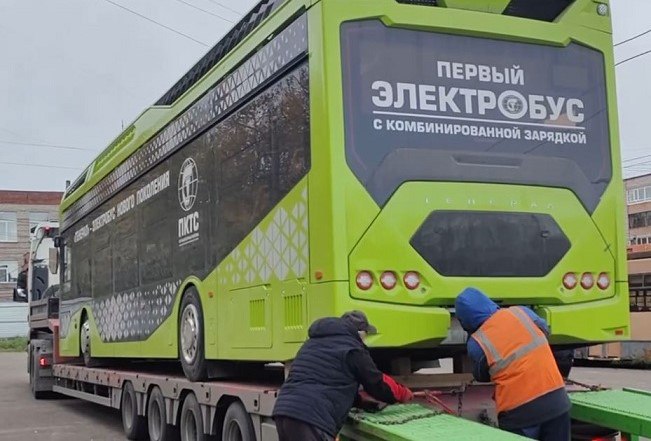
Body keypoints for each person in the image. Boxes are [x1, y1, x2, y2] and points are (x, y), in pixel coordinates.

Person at [273, 310, 414, 441]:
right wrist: (401, 393)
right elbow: (376, 382)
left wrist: (360, 402)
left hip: (284, 413)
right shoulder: (352, 349)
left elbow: (326, 381)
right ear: (360, 333)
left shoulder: (311, 344)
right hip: (313, 419)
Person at [455, 288, 571, 441]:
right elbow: (544, 329)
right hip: (558, 402)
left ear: (465, 321)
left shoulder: (477, 343)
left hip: (520, 414)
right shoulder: (520, 312)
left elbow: (481, 375)